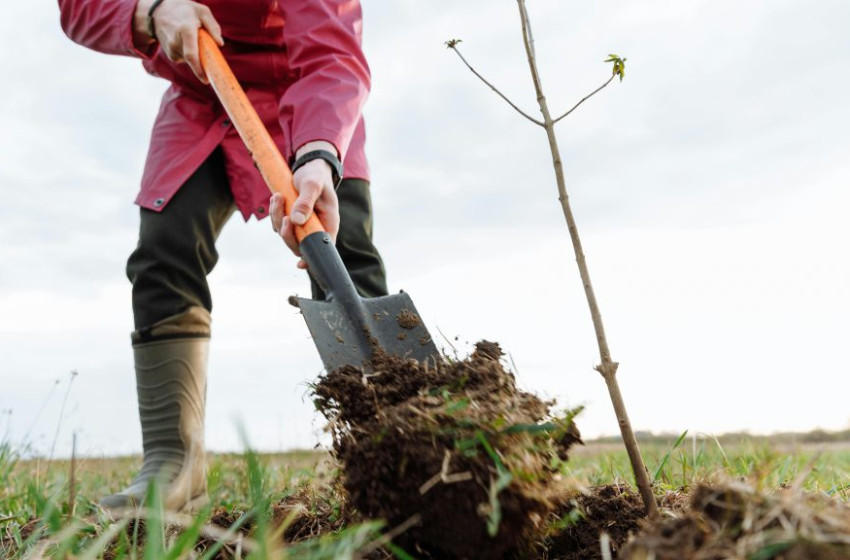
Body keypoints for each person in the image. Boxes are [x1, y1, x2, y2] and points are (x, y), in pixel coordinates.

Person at [57, 0, 387, 511]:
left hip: (306, 93)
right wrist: (149, 11)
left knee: (345, 259)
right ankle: (173, 469)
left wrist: (320, 151)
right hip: (202, 92)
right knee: (164, 251)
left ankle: (389, 453)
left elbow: (330, 49)